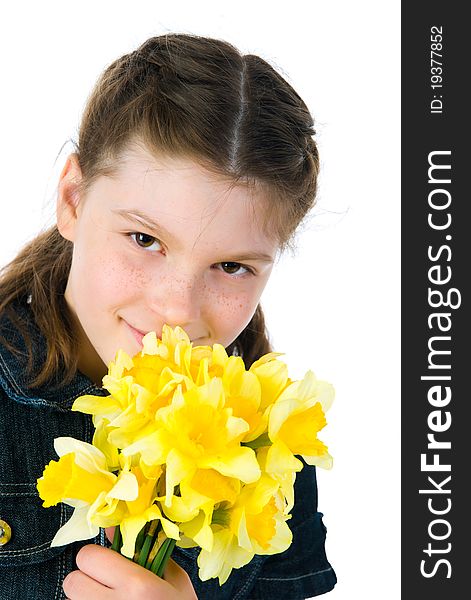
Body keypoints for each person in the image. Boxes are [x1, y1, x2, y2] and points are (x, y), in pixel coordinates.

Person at [0, 33, 337, 599]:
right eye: (144, 238)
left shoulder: (268, 446)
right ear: (73, 199)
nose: (177, 309)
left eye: (231, 266)